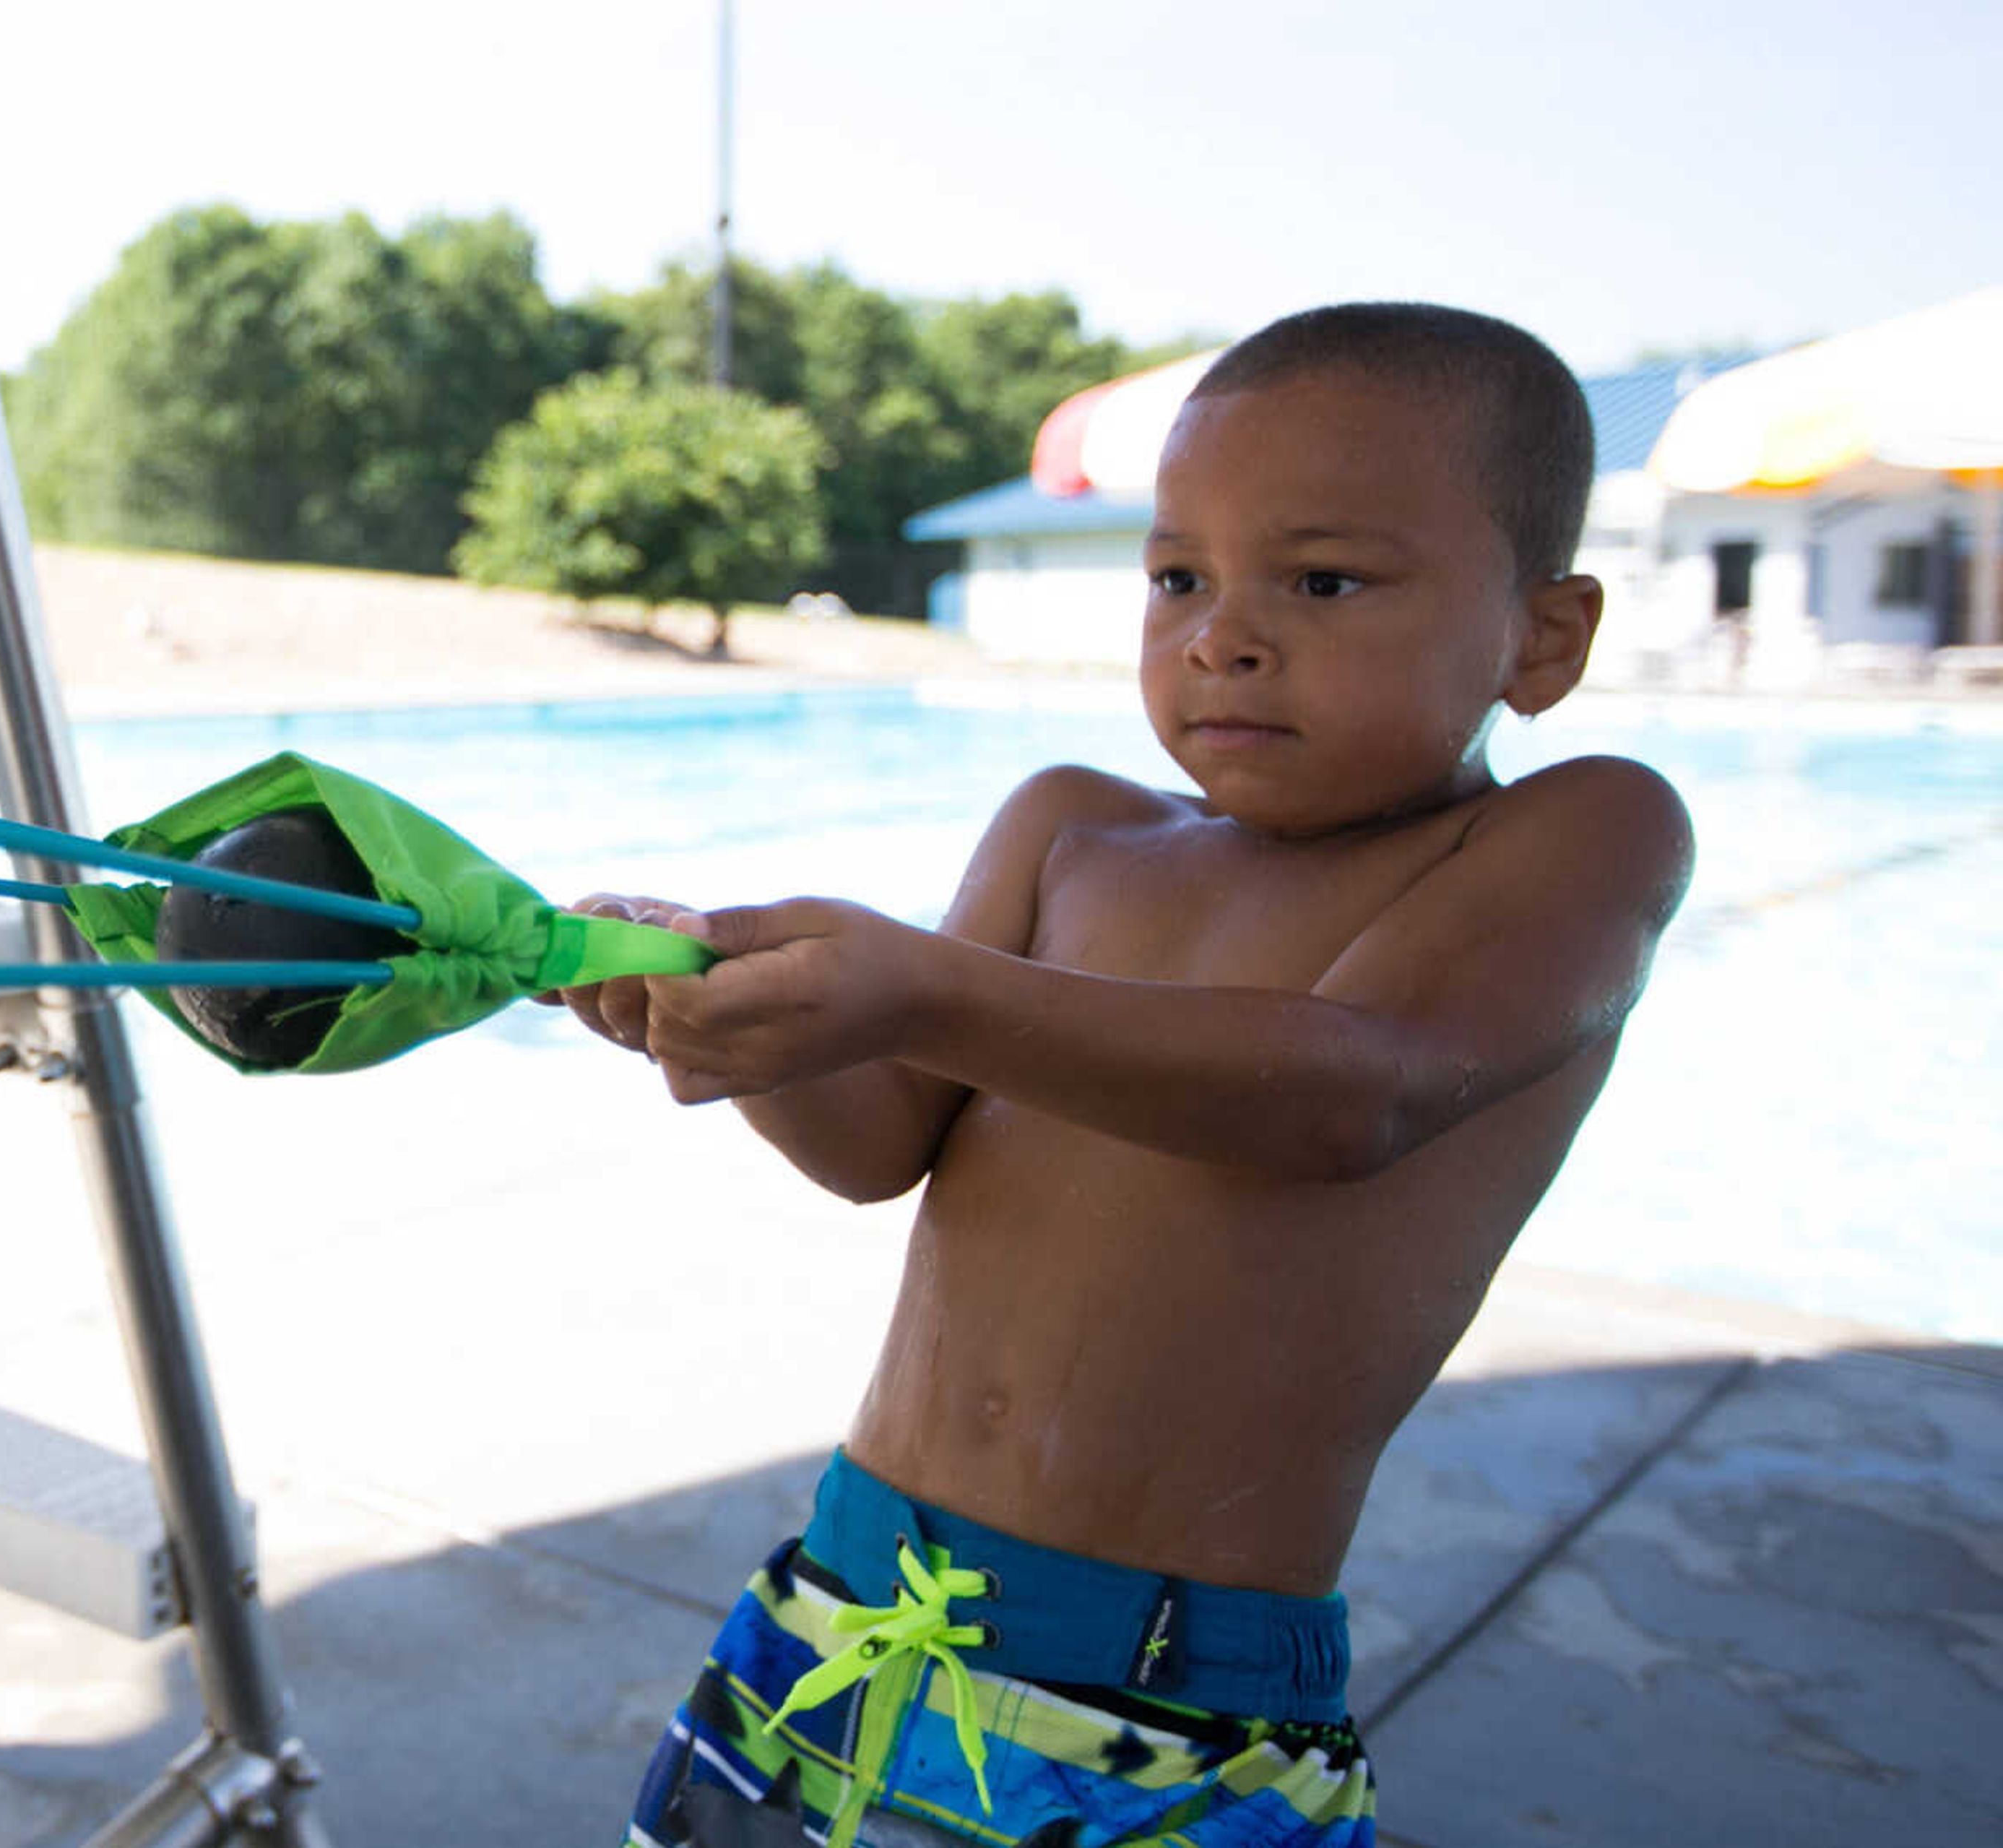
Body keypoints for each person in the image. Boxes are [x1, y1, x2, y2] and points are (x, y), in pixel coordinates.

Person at [555, 302, 1696, 1847]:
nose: (1223, 631)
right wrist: (714, 1010)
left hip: (1167, 1708)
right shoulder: (1073, 827)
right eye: (1177, 576)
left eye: (1325, 578)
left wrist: (922, 983)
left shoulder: (1574, 836)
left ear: (1543, 638)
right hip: (836, 1617)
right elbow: (878, 1143)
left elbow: (1347, 1092)